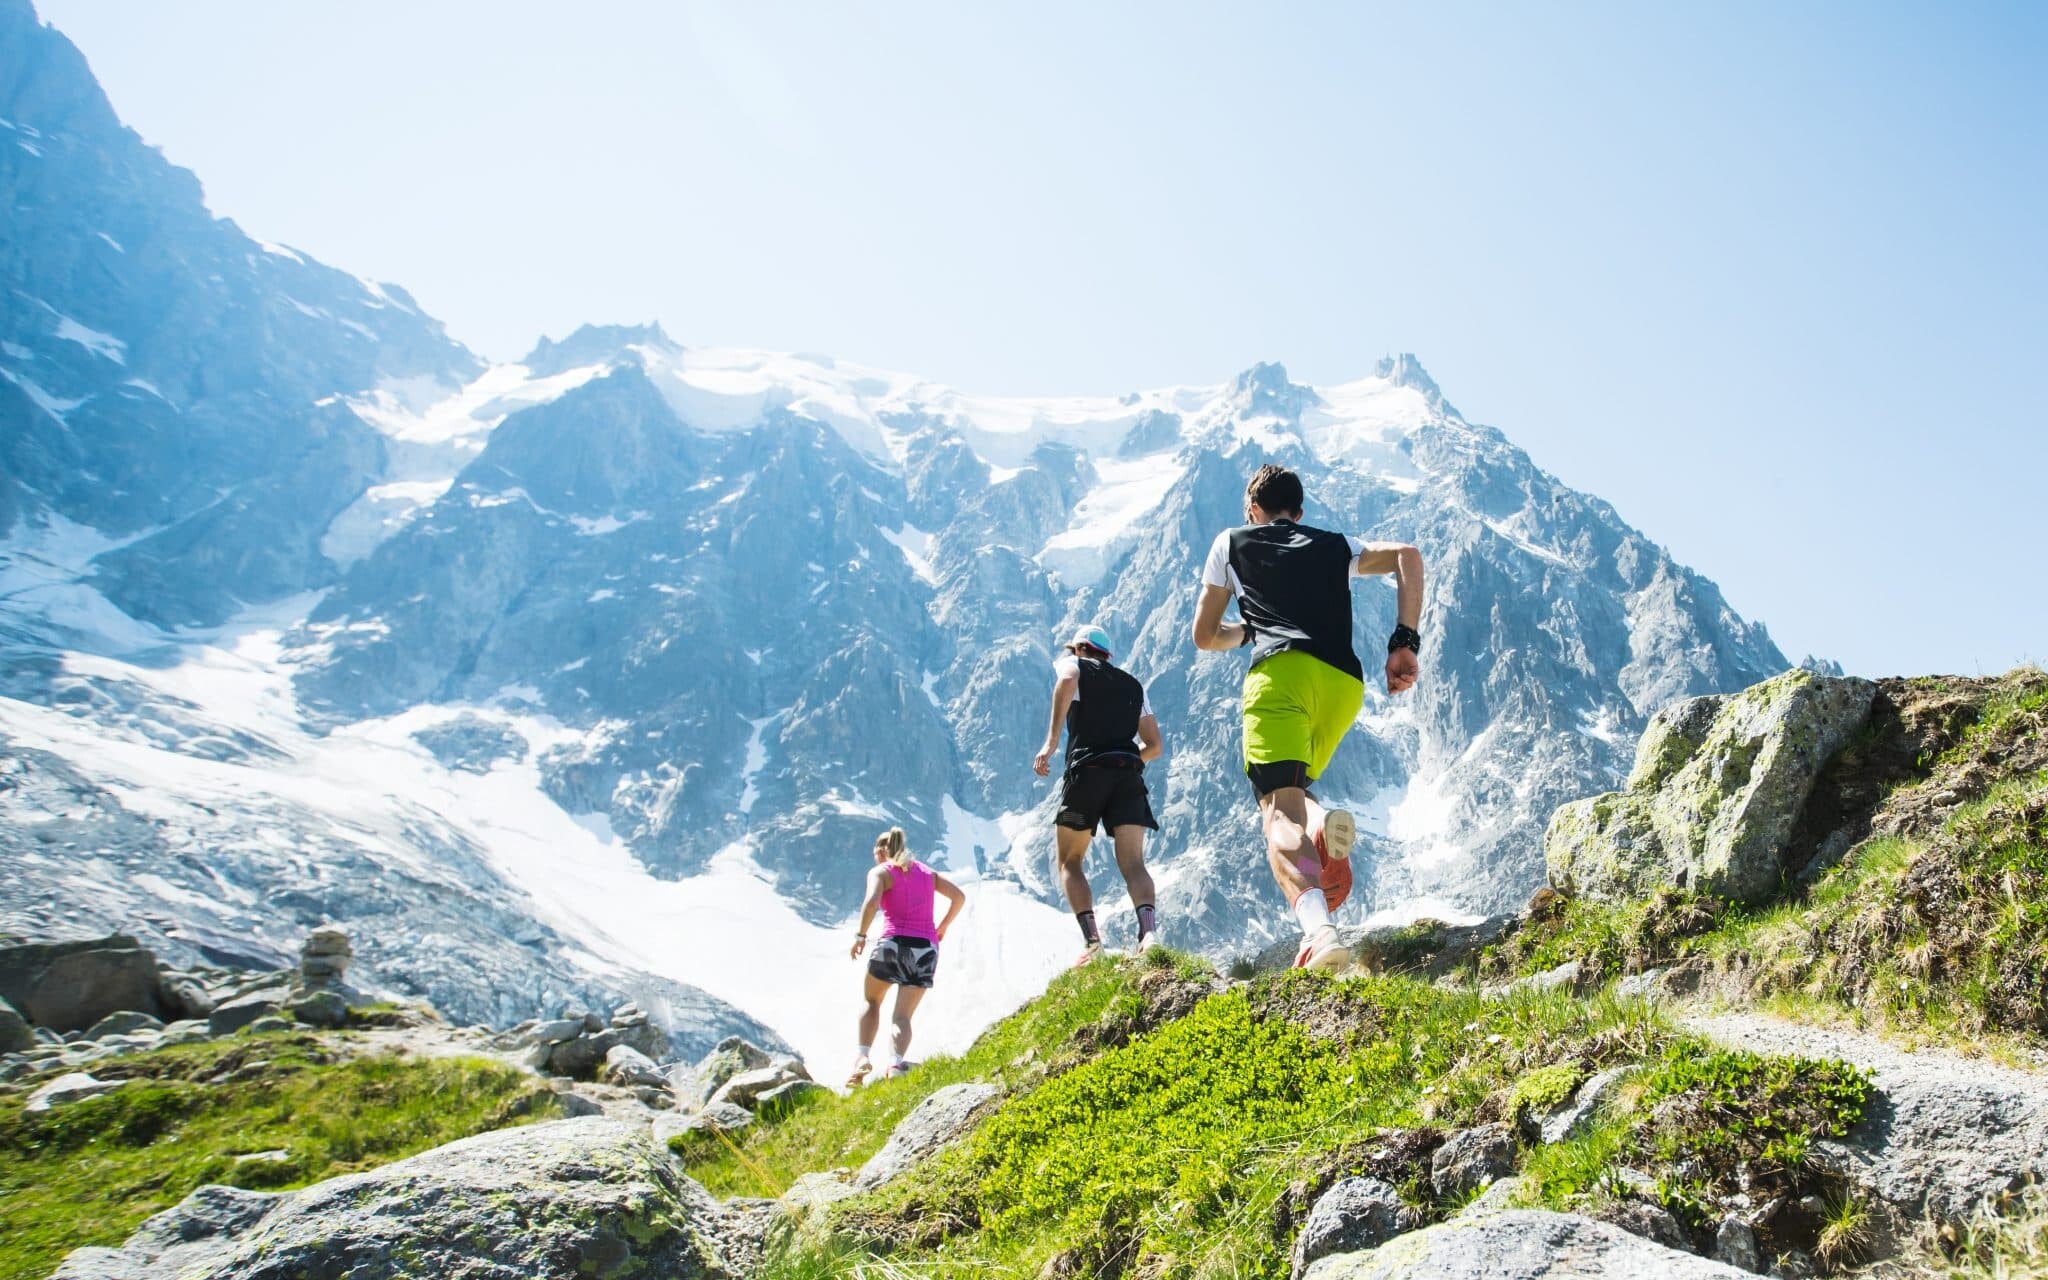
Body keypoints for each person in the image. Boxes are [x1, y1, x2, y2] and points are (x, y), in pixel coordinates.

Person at [1191, 464, 1424, 972]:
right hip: (1342, 684)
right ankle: (1322, 822)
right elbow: (1408, 555)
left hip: (1280, 678)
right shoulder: (1333, 544)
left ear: (1253, 509)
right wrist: (1404, 641)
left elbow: (1205, 636)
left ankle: (1320, 933)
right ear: (1299, 512)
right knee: (1299, 794)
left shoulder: (1232, 542)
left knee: (1276, 812)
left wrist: (1248, 630)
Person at [1032, 624, 1165, 965]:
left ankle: (1093, 945)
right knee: (1134, 863)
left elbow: (1066, 681)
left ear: (1079, 648)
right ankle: (1148, 934)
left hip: (1087, 775)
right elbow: (1155, 745)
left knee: (1069, 861)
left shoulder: (1072, 664)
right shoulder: (1134, 685)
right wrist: (1127, 757)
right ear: (1107, 654)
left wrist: (1050, 743)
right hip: (1127, 777)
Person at [847, 827, 964, 1087]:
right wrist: (942, 927)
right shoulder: (926, 873)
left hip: (892, 944)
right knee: (902, 1017)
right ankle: (897, 1063)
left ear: (880, 851)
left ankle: (863, 1057)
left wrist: (860, 936)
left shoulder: (881, 871)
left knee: (871, 1000)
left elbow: (872, 901)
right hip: (924, 948)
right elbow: (959, 896)